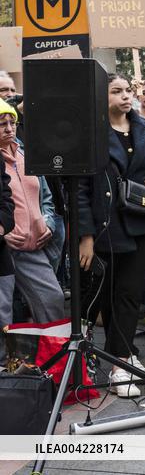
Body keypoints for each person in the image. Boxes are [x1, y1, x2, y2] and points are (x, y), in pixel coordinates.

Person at [78, 74, 145, 398]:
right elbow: (80, 190)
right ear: (102, 96)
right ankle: (119, 356)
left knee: (128, 294)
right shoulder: (92, 135)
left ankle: (120, 363)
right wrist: (86, 234)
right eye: (117, 91)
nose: (126, 97)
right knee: (108, 296)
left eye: (128, 91)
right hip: (108, 225)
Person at [0, 100, 62, 363]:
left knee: (53, 299)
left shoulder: (26, 154)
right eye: (2, 124)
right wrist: (3, 232)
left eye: (12, 122)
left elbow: (46, 196)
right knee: (2, 313)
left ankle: (55, 363)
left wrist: (47, 222)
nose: (9, 128)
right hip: (5, 248)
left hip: (33, 246)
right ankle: (4, 370)